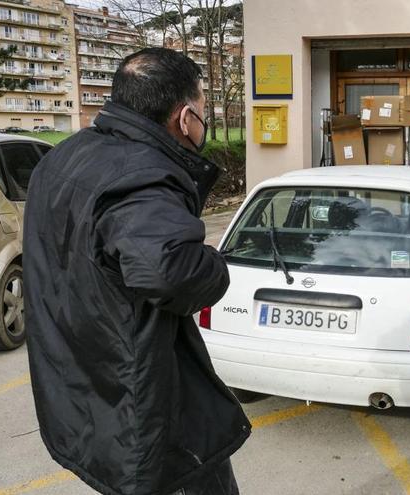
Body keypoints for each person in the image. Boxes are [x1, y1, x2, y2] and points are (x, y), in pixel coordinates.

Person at [23, 48, 250, 494]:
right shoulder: (144, 175)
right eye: (203, 108)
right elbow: (169, 272)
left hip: (84, 387)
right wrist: (214, 263)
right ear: (185, 117)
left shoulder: (64, 156)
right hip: (143, 405)